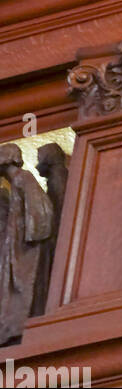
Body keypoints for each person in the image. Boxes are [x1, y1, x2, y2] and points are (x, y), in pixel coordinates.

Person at [0, 144, 55, 344]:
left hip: (27, 246)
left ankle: (18, 326)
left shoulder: (24, 178)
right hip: (17, 244)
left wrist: (31, 236)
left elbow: (41, 210)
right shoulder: (15, 183)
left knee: (24, 283)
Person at [34, 142, 70, 313]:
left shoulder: (59, 178)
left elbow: (60, 209)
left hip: (58, 235)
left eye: (40, 158)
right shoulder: (56, 178)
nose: (37, 164)